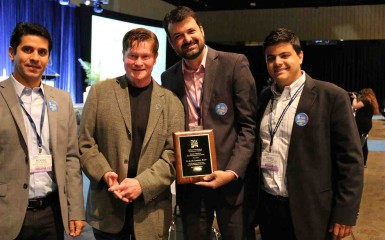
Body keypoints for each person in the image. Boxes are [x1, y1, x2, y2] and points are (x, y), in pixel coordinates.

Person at [255, 27, 364, 240]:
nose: (277, 62)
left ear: (300, 56)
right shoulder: (263, 98)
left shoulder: (331, 96)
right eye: (271, 58)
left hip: (313, 211)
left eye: (285, 55)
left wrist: (345, 212)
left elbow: (351, 161)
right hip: (269, 209)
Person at [78, 28, 185, 240]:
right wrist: (104, 173)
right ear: (123, 56)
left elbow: (173, 156)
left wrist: (141, 184)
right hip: (107, 206)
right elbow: (85, 144)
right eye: (132, 56)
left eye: (145, 56)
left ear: (155, 58)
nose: (138, 63)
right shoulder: (100, 93)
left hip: (151, 212)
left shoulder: (171, 102)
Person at [162, 6, 257, 240]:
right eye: (178, 36)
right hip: (190, 184)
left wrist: (232, 171)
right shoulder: (168, 77)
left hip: (230, 181)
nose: (187, 39)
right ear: (172, 43)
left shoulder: (234, 64)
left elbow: (249, 127)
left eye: (191, 31)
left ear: (201, 30)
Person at [0, 22, 85, 239]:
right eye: (27, 49)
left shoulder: (62, 100)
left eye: (42, 52)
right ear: (11, 52)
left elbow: (71, 158)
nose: (35, 58)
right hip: (6, 214)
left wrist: (75, 208)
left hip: (52, 214)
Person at [351, 88, 380, 166]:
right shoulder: (371, 101)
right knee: (364, 142)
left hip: (362, 124)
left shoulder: (366, 101)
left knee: (360, 142)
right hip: (366, 124)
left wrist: (355, 98)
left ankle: (361, 160)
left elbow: (355, 106)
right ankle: (363, 161)